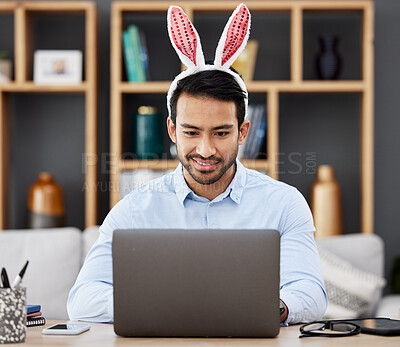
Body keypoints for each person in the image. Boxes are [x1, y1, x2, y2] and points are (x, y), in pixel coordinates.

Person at [67, 3, 327, 325]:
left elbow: (311, 293)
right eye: (192, 132)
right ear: (172, 130)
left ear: (242, 131)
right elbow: (82, 300)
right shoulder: (134, 210)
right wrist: (169, 305)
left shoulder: (285, 204)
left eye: (220, 133)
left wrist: (265, 308)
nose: (205, 150)